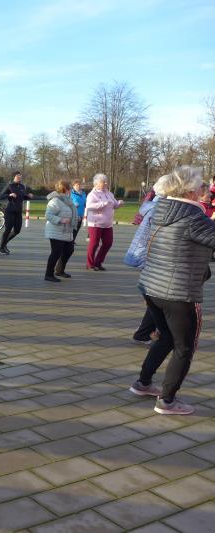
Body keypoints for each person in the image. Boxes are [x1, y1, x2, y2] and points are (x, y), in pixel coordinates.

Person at [129, 166, 215, 415]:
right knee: (184, 347)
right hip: (179, 293)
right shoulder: (194, 218)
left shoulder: (161, 210)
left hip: (151, 286)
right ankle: (167, 401)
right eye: (199, 187)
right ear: (189, 191)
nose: (203, 191)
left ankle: (143, 383)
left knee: (166, 337)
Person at [124, 189, 160, 345]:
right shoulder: (159, 208)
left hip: (150, 259)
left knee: (155, 300)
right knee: (157, 300)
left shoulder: (154, 206)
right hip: (154, 259)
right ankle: (148, 333)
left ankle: (145, 333)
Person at [85, 173, 123, 271]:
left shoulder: (109, 193)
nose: (106, 183)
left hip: (108, 224)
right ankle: (90, 264)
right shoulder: (92, 194)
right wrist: (103, 204)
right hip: (96, 223)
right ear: (96, 183)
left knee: (108, 243)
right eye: (103, 182)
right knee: (94, 244)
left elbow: (114, 205)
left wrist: (119, 204)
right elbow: (89, 206)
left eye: (106, 182)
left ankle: (98, 262)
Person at [43, 180, 78, 282]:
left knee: (69, 250)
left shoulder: (67, 200)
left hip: (66, 230)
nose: (71, 190)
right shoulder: (55, 201)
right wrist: (61, 220)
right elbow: (48, 215)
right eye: (70, 188)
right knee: (56, 253)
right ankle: (48, 275)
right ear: (65, 189)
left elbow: (69, 211)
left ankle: (59, 270)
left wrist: (74, 218)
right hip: (56, 231)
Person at [0, 170, 33, 254]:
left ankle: (3, 243)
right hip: (10, 211)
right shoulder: (9, 186)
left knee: (17, 230)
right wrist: (9, 195)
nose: (19, 177)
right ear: (14, 177)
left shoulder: (22, 186)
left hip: (18, 211)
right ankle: (1, 247)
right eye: (17, 176)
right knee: (8, 229)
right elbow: (1, 196)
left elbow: (22, 197)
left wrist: (28, 196)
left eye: (20, 176)